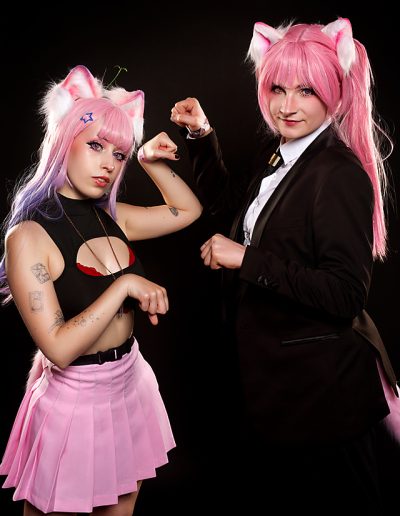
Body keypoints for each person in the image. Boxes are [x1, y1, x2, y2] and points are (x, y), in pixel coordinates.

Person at [171, 18, 399, 515]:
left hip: (324, 399)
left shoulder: (338, 173)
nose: (287, 106)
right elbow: (236, 212)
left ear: (333, 92)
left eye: (306, 91)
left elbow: (344, 295)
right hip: (278, 392)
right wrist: (201, 135)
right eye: (278, 88)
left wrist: (246, 260)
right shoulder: (281, 151)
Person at [0, 64, 202, 515]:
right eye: (95, 145)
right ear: (63, 141)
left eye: (119, 154)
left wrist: (148, 161)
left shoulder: (114, 216)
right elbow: (58, 348)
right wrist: (125, 284)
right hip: (74, 401)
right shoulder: (29, 237)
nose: (109, 163)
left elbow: (187, 210)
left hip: (129, 382)